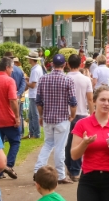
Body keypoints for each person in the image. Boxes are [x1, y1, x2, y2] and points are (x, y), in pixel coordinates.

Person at [35, 54, 77, 184]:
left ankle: (37, 171)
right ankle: (60, 175)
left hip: (48, 117)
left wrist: (41, 116)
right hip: (62, 118)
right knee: (60, 147)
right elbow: (73, 101)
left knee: (47, 144)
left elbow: (38, 101)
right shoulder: (67, 80)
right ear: (64, 65)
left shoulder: (43, 79)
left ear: (52, 64)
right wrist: (73, 115)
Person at [66, 54, 93, 182]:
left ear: (68, 64)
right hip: (82, 113)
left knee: (67, 143)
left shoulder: (65, 78)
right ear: (81, 64)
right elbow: (90, 98)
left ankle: (68, 167)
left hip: (67, 114)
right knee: (78, 143)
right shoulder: (86, 79)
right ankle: (76, 171)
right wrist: (93, 113)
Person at [26, 51, 44, 139]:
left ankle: (36, 133)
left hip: (34, 95)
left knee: (34, 115)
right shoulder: (37, 68)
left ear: (31, 59)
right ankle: (32, 132)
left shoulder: (35, 70)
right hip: (35, 94)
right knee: (31, 115)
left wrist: (25, 81)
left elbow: (33, 85)